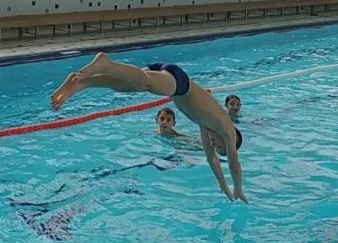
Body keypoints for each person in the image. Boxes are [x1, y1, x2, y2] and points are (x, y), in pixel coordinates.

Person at [51, 53, 247, 203]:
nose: (214, 145)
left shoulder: (205, 127)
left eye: (217, 147)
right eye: (220, 146)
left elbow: (211, 159)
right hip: (179, 84)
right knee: (143, 82)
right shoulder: (226, 127)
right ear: (229, 138)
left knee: (124, 86)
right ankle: (107, 64)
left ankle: (80, 82)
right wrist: (238, 188)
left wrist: (223, 185)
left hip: (172, 83)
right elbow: (234, 162)